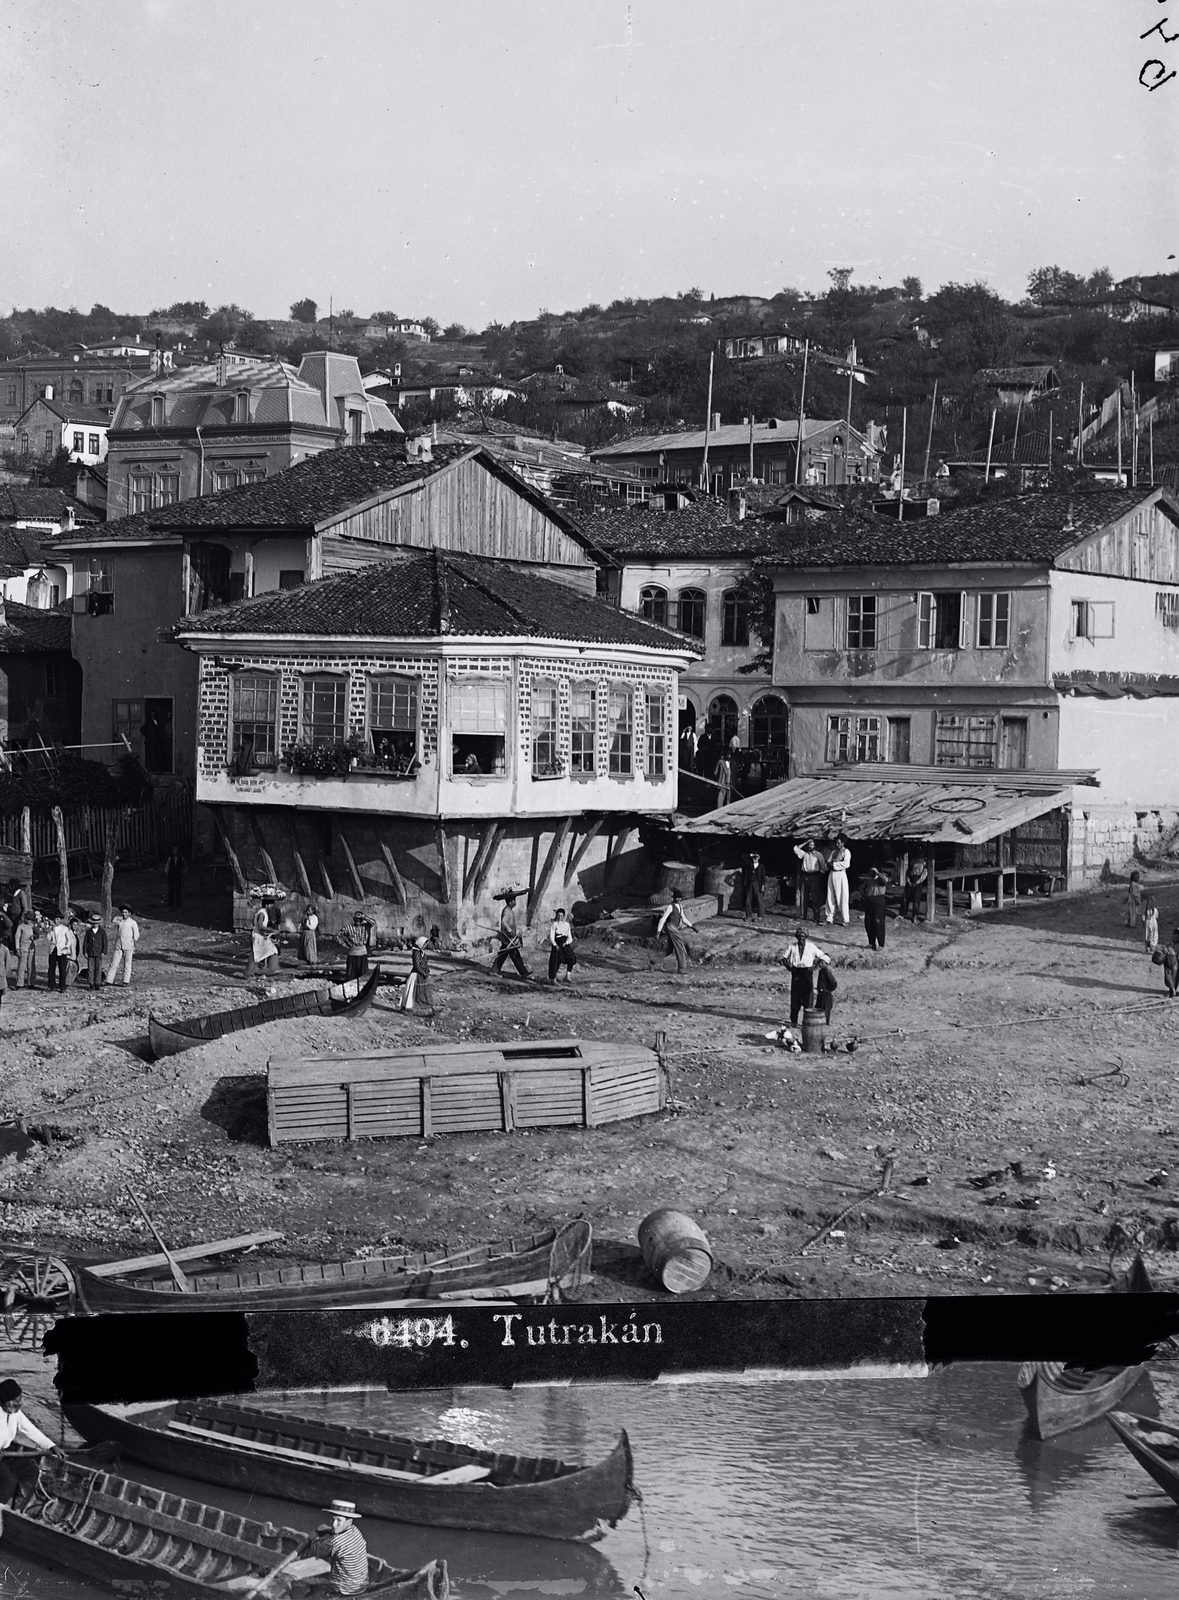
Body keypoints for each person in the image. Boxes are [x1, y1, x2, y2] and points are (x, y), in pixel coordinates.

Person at [277, 1499, 370, 1596]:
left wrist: (314, 1536)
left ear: (349, 1521)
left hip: (345, 1589)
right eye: (333, 1519)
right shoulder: (355, 1531)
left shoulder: (336, 1542)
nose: (334, 1525)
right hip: (361, 1585)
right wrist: (327, 1530)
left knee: (295, 1579)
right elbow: (336, 1533)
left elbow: (316, 1550)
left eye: (338, 1521)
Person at [0, 1379, 63, 1504]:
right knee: (8, 1481)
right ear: (7, 1403)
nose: (21, 1402)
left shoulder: (15, 1413)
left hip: (5, 1453)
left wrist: (51, 1445)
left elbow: (30, 1429)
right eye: (18, 1400)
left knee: (31, 1470)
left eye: (21, 1398)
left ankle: (18, 1507)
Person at [780, 925, 833, 1026]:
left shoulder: (811, 947)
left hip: (807, 974)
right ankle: (794, 1021)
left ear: (806, 937)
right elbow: (784, 958)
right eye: (799, 937)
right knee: (795, 998)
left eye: (803, 937)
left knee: (808, 999)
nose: (801, 939)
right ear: (796, 937)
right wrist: (789, 968)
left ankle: (807, 1021)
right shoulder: (792, 946)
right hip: (796, 973)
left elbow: (824, 956)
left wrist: (815, 967)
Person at [491, 889, 530, 979]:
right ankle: (523, 972)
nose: (515, 902)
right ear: (510, 901)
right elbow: (504, 922)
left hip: (510, 937)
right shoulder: (506, 911)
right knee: (512, 954)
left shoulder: (510, 910)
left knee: (506, 954)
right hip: (507, 937)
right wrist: (509, 930)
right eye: (513, 900)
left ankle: (495, 970)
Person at [656, 887, 694, 973]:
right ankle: (682, 968)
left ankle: (657, 963)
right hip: (670, 927)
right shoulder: (670, 906)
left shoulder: (680, 906)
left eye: (679, 898)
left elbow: (683, 918)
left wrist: (692, 926)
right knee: (680, 947)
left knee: (670, 948)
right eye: (676, 897)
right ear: (673, 898)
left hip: (675, 928)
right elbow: (663, 919)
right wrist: (658, 931)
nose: (678, 899)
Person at [400, 934, 436, 1016]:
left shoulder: (422, 952)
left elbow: (425, 963)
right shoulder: (416, 953)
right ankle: (409, 1008)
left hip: (422, 974)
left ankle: (423, 1008)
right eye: (424, 944)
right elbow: (416, 966)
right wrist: (423, 972)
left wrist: (427, 970)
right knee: (412, 991)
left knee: (422, 991)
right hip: (416, 975)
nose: (425, 946)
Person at [793, 840, 828, 924]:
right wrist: (805, 842)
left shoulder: (818, 855)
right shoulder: (804, 854)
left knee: (815, 897)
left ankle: (816, 917)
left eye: (812, 845)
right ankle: (803, 915)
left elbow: (824, 868)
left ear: (815, 846)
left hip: (814, 876)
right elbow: (795, 848)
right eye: (809, 845)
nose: (810, 846)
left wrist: (819, 873)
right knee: (803, 896)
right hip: (805, 876)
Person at [105, 906, 140, 985]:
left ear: (129, 913)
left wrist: (133, 942)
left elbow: (136, 934)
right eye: (123, 912)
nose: (124, 914)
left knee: (127, 963)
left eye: (126, 912)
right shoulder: (120, 921)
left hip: (128, 945)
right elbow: (114, 923)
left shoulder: (132, 922)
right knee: (114, 963)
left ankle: (126, 980)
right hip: (119, 944)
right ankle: (109, 980)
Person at [825, 837, 852, 926]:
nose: (837, 844)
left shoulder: (846, 852)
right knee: (830, 895)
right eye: (836, 843)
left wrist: (834, 864)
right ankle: (829, 917)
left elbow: (846, 864)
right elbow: (828, 862)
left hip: (840, 874)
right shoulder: (834, 852)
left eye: (839, 843)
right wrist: (830, 864)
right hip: (832, 874)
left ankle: (845, 919)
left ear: (843, 843)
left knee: (842, 896)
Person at [246, 907, 280, 977]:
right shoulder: (262, 913)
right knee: (255, 954)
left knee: (272, 950)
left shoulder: (262, 912)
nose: (272, 907)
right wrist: (271, 930)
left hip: (260, 936)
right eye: (271, 905)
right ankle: (249, 973)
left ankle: (273, 969)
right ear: (267, 905)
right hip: (258, 937)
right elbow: (260, 925)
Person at [863, 866, 889, 950]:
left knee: (878, 924)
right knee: (869, 924)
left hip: (879, 902)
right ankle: (871, 943)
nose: (872, 873)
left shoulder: (881, 879)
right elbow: (861, 888)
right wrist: (865, 895)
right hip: (870, 902)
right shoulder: (868, 880)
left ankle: (881, 944)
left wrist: (877, 872)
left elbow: (884, 881)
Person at [547, 907, 576, 983]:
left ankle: (568, 976)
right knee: (555, 960)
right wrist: (555, 945)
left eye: (561, 915)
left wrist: (566, 943)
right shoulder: (554, 924)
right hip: (557, 943)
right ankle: (553, 979)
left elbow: (570, 937)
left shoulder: (567, 924)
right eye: (558, 915)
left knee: (572, 958)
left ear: (564, 916)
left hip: (564, 943)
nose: (560, 917)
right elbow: (552, 936)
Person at [47, 915, 74, 993]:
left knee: (62, 968)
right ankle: (51, 985)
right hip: (53, 950)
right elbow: (48, 939)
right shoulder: (52, 929)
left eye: (58, 919)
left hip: (61, 950)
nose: (56, 921)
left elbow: (69, 940)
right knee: (51, 968)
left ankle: (62, 986)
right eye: (55, 919)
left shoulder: (64, 929)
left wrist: (66, 947)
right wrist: (50, 930)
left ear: (60, 920)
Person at [341, 916, 370, 982]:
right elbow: (337, 937)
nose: (358, 921)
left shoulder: (365, 927)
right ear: (354, 919)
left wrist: (363, 916)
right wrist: (345, 945)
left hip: (362, 953)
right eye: (356, 919)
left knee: (363, 975)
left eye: (359, 919)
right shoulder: (348, 927)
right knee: (351, 975)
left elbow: (373, 922)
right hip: (352, 953)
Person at [82, 913, 107, 988]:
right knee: (90, 969)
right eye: (94, 923)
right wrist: (85, 952)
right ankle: (91, 983)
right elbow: (85, 942)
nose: (95, 925)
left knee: (98, 969)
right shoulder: (89, 931)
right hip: (90, 952)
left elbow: (105, 942)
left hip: (99, 952)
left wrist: (104, 951)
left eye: (96, 923)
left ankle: (97, 983)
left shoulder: (102, 932)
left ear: (99, 923)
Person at [901, 857, 928, 921]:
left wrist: (917, 882)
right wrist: (908, 881)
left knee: (916, 899)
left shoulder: (924, 863)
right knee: (905, 897)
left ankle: (915, 915)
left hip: (918, 880)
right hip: (910, 879)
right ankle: (902, 914)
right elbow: (908, 872)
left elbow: (924, 875)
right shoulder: (912, 860)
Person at [741, 852, 766, 921]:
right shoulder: (749, 865)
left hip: (758, 884)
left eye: (756, 857)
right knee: (748, 900)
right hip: (749, 883)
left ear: (759, 858)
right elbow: (743, 857)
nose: (754, 859)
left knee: (759, 900)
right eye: (753, 858)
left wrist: (763, 886)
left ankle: (760, 916)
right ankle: (748, 916)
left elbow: (763, 877)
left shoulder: (761, 866)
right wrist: (751, 855)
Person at [14, 912, 35, 989]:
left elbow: (37, 934)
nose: (29, 921)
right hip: (23, 947)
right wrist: (17, 949)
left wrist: (34, 936)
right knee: (21, 966)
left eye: (30, 919)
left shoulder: (32, 926)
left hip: (31, 948)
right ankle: (19, 983)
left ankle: (31, 982)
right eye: (28, 919)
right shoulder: (21, 927)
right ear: (25, 918)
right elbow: (17, 938)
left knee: (31, 966)